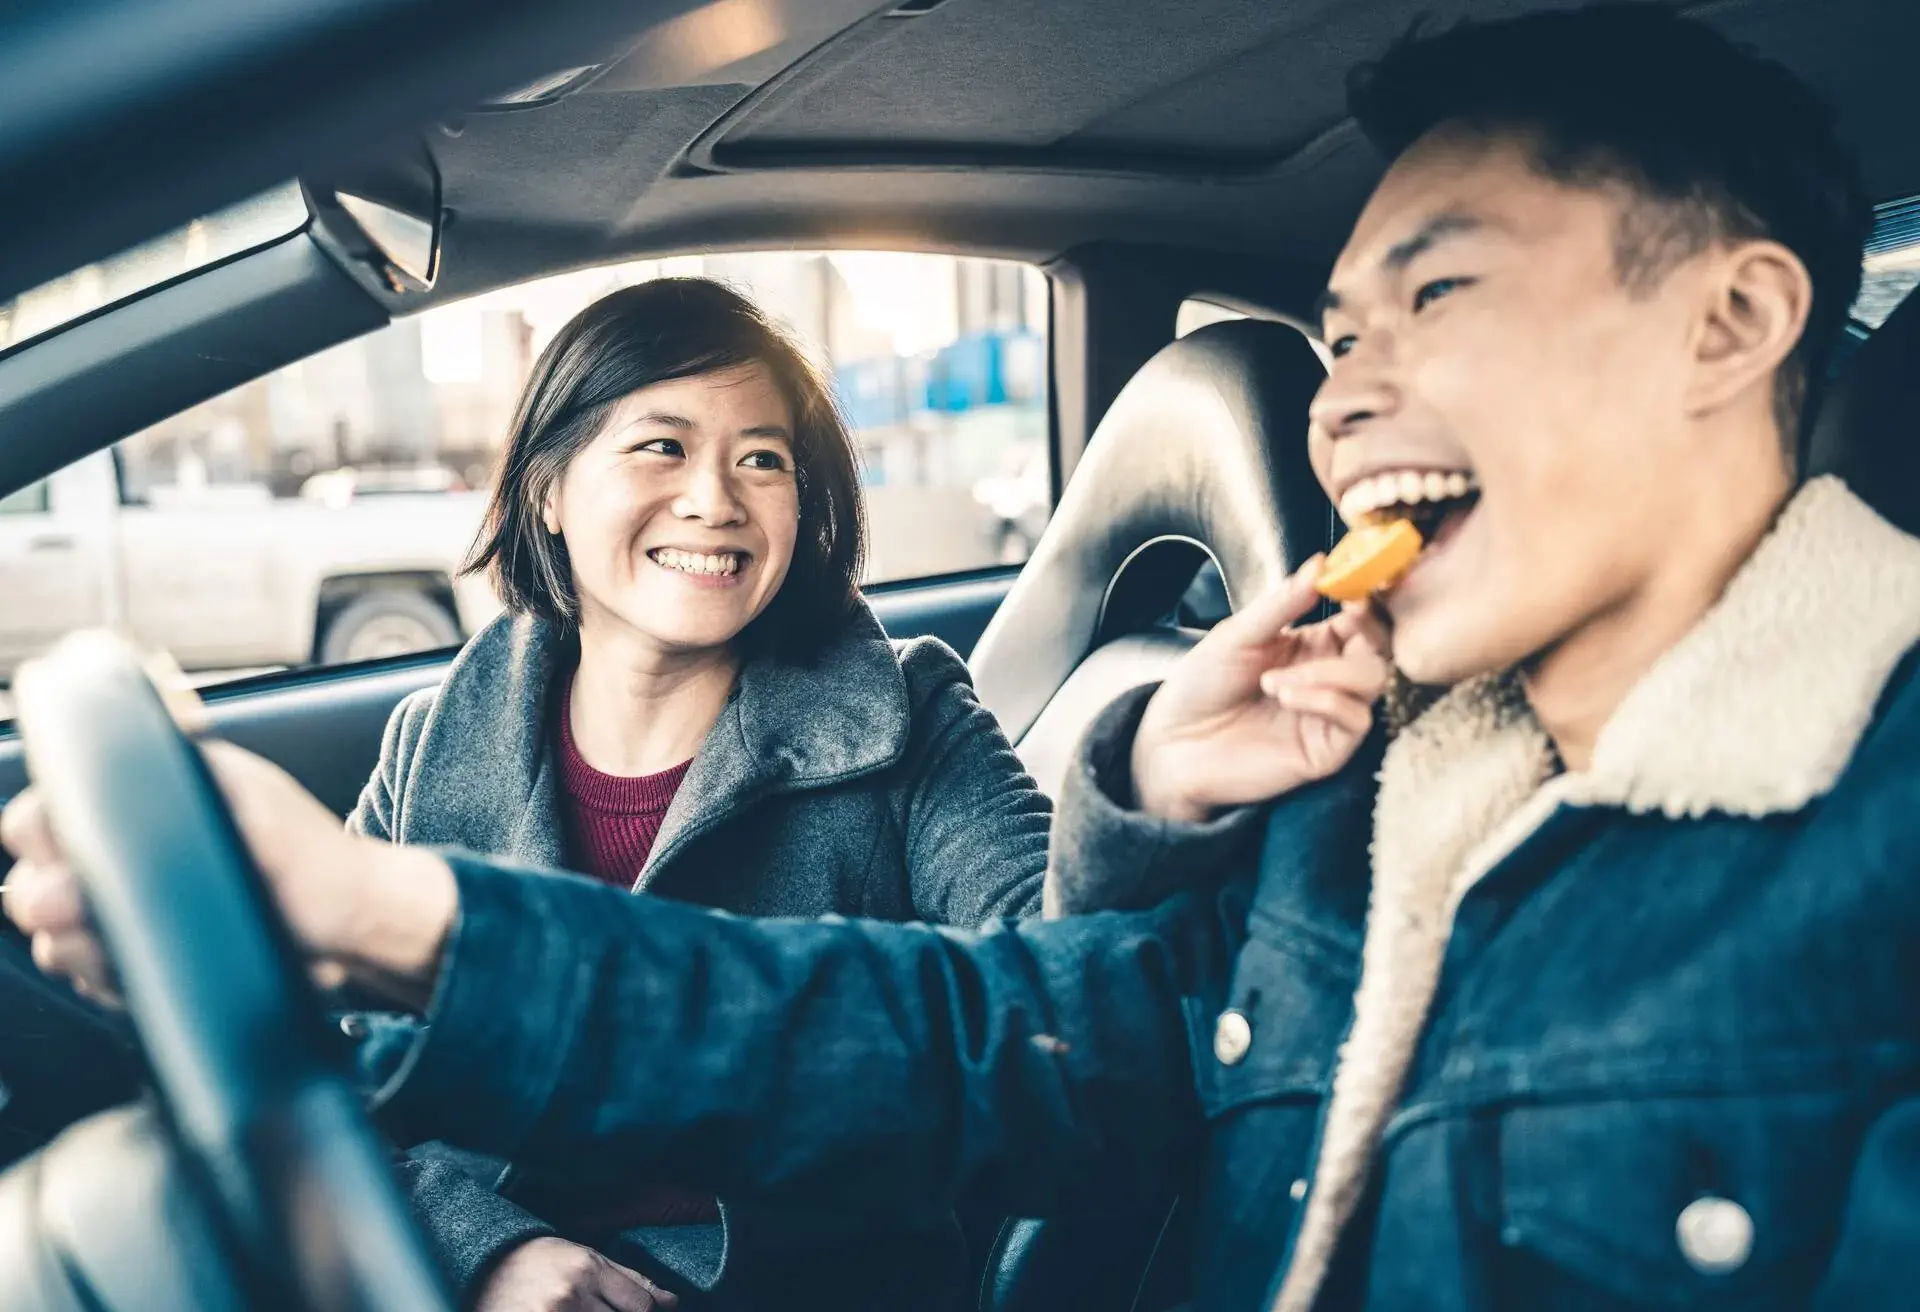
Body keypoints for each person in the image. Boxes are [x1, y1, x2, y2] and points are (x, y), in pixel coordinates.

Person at [9, 5, 1918, 1307]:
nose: (1351, 401)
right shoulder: (1381, 803)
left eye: (1436, 294)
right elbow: (981, 1046)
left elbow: (983, 977)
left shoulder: (1879, 838)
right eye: (1336, 335)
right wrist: (387, 910)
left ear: (1732, 319)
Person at [333, 278, 1054, 1311]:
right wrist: (483, 1251)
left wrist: (1146, 784)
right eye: (661, 446)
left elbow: (1067, 970)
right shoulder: (430, 744)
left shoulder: (911, 717)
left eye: (763, 458)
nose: (716, 498)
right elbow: (318, 1062)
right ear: (549, 488)